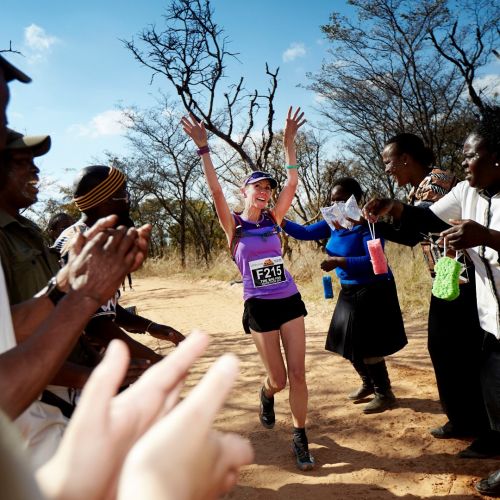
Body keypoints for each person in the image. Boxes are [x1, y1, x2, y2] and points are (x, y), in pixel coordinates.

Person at [362, 106, 500, 496]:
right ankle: (484, 434)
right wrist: (394, 208)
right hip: (490, 308)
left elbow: (475, 236)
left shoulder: (440, 180)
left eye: (471, 157)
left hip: (463, 284)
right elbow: (428, 220)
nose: (463, 164)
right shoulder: (464, 191)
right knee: (491, 380)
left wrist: (485, 237)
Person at [181, 108, 315, 471]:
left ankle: (300, 435)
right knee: (280, 379)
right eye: (258, 186)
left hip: (288, 299)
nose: (266, 191)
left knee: (299, 374)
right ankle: (266, 392)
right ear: (245, 192)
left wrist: (289, 146)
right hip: (258, 306)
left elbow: (292, 185)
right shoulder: (234, 225)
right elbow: (212, 189)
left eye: (267, 188)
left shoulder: (275, 219)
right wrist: (204, 149)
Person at [379, 133, 489, 444]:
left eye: (389, 162)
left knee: (460, 353)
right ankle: (461, 418)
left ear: (405, 159)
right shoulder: (418, 189)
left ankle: (479, 425)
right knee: (443, 350)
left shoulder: (438, 180)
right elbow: (414, 236)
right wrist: (371, 225)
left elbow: (425, 221)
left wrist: (392, 209)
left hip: (464, 278)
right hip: (447, 277)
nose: (387, 169)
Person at [283, 177, 407, 414]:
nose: (336, 205)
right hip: (350, 289)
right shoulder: (334, 223)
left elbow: (376, 262)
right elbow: (304, 232)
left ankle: (384, 393)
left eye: (341, 200)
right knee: (344, 340)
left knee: (368, 345)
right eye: (333, 200)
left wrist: (340, 261)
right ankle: (368, 384)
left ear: (354, 199)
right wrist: (277, 218)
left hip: (373, 289)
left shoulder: (367, 224)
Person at [55, 165, 185, 355]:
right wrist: (155, 361)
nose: (128, 198)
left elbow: (103, 308)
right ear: (107, 200)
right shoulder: (88, 244)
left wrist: (150, 326)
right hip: (85, 366)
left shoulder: (77, 235)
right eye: (122, 192)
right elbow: (97, 326)